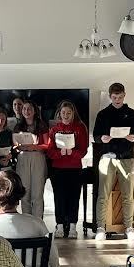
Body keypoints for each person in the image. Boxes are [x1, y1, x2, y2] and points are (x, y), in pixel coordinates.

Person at [93, 82, 134, 244]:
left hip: (127, 157)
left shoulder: (132, 114)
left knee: (128, 195)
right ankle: (101, 227)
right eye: (114, 97)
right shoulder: (103, 114)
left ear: (124, 95)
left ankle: (129, 227)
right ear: (110, 97)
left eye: (120, 97)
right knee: (103, 194)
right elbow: (96, 136)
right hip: (107, 157)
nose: (117, 100)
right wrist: (102, 138)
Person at [46, 100, 89, 238]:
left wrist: (72, 153)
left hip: (74, 168)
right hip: (58, 169)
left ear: (73, 114)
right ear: (59, 113)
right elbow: (50, 152)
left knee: (74, 198)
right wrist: (60, 153)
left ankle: (72, 227)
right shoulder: (54, 129)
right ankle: (59, 226)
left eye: (69, 113)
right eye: (63, 112)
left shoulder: (80, 128)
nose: (66, 115)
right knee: (59, 198)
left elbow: (83, 150)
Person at [13, 99, 50, 218]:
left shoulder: (41, 125)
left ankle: (38, 222)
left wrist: (35, 146)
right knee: (24, 193)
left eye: (29, 109)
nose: (26, 111)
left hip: (37, 157)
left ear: (35, 111)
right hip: (23, 158)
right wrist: (18, 147)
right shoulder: (18, 126)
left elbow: (47, 145)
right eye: (24, 108)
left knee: (37, 194)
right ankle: (27, 222)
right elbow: (14, 146)